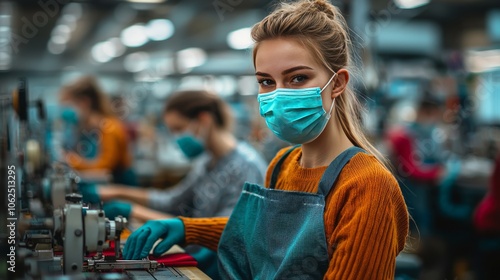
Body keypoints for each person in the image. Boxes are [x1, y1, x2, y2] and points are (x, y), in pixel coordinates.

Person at [123, 1, 409, 279]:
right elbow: (264, 234)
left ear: (337, 83)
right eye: (267, 81)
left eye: (297, 78)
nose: (278, 94)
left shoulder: (367, 186)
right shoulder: (282, 164)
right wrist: (188, 229)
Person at [81, 89, 268, 278]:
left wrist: (133, 210)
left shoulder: (246, 166)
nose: (176, 139)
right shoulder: (206, 162)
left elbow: (228, 231)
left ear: (204, 120)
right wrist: (112, 193)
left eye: (179, 129)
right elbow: (172, 201)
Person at [58, 76, 136, 186]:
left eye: (68, 105)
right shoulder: (85, 130)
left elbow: (105, 166)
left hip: (121, 188)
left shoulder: (110, 128)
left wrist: (73, 161)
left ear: (84, 102)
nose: (64, 112)